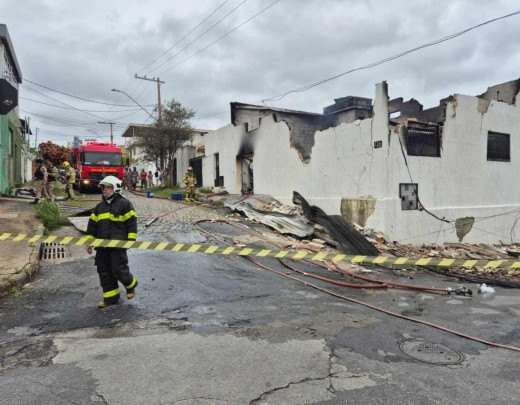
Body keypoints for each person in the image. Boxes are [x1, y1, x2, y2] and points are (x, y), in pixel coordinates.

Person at [86, 175, 138, 309]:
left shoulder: (125, 204)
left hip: (117, 246)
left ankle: (130, 284)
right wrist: (89, 242)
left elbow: (131, 223)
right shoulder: (99, 207)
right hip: (102, 248)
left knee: (118, 269)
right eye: (103, 187)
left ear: (116, 189)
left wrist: (130, 239)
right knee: (104, 272)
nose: (105, 190)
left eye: (108, 187)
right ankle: (110, 299)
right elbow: (92, 226)